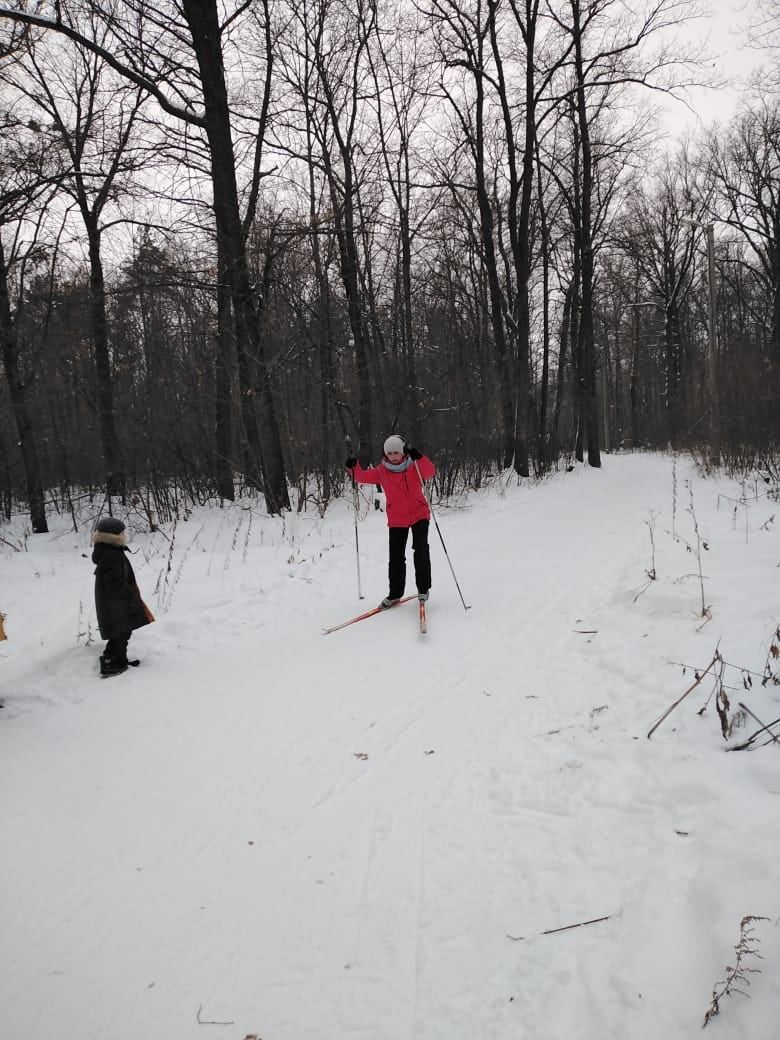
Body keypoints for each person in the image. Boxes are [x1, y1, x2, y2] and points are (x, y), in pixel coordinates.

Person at [346, 435, 436, 608]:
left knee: (421, 550)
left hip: (419, 513)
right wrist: (353, 466)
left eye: (396, 452)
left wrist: (419, 456)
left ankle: (423, 589)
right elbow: (361, 476)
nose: (393, 456)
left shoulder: (414, 465)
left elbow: (430, 472)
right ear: (385, 454)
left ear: (402, 452)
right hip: (397, 518)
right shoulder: (381, 471)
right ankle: (395, 593)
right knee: (396, 557)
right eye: (390, 453)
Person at [91, 517, 152, 677]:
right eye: (122, 532)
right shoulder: (112, 555)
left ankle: (119, 660)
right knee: (120, 632)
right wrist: (128, 595)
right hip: (116, 604)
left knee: (122, 632)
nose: (124, 534)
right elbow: (114, 582)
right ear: (114, 535)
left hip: (114, 603)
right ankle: (111, 663)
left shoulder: (108, 551)